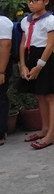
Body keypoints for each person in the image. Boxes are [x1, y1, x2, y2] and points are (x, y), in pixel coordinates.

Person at [18, 0, 54, 150]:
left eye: (35, 0)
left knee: (50, 96)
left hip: (44, 60)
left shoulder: (51, 20)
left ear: (45, 1)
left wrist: (38, 67)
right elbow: (23, 44)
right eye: (29, 0)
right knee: (39, 95)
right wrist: (23, 65)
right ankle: (44, 129)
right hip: (30, 58)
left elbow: (50, 46)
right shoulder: (26, 20)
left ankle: (51, 134)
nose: (31, 3)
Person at [0, 14, 12, 146]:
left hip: (1, 65)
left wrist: (1, 71)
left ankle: (0, 132)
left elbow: (6, 46)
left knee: (0, 97)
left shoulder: (3, 22)